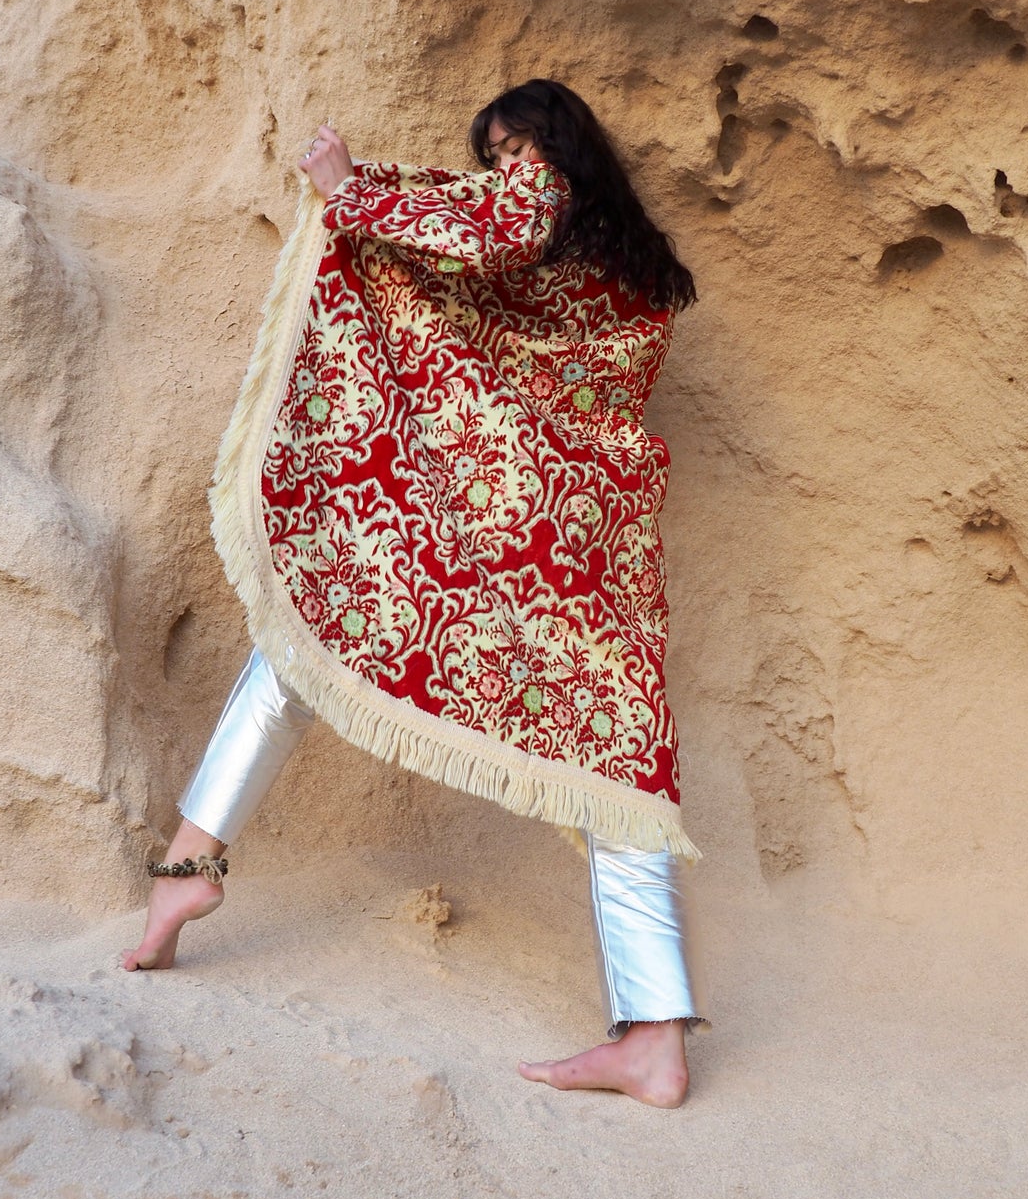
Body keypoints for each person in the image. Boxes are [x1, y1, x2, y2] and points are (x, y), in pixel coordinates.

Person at [121, 79, 706, 1107]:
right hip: (596, 540)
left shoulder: (533, 191)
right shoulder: (637, 266)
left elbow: (491, 233)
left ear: (543, 139)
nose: (498, 164)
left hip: (502, 515)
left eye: (505, 144)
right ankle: (654, 1034)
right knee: (612, 758)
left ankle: (188, 866)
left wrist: (351, 195)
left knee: (324, 625)